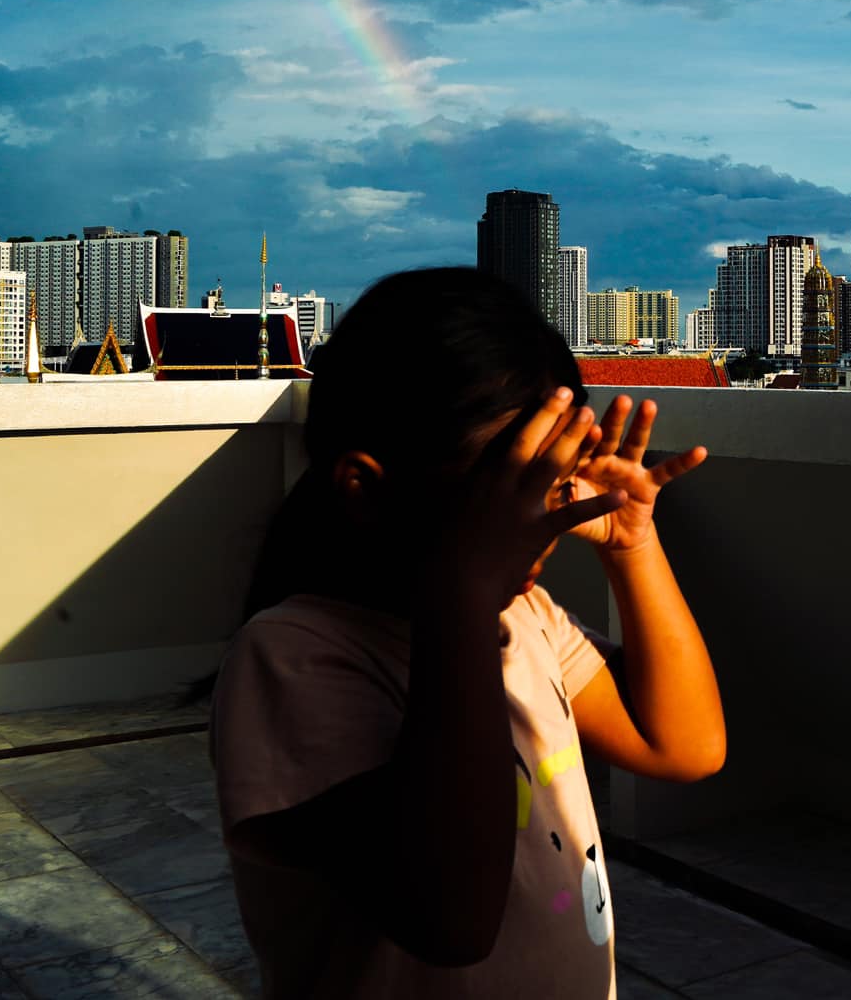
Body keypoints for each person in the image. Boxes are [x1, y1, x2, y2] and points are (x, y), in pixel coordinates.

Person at [211, 267, 725, 998]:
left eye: (550, 484)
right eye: (500, 493)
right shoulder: (295, 660)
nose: (531, 523)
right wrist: (462, 595)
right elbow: (450, 920)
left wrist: (633, 545)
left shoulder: (526, 621)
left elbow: (684, 746)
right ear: (367, 488)